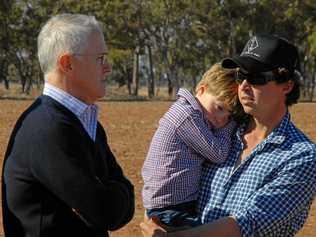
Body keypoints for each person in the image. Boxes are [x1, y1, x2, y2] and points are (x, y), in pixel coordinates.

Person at [140, 34, 316, 237]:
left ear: (286, 85)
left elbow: (248, 224)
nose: (243, 86)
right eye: (241, 76)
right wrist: (154, 217)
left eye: (257, 78)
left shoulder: (302, 157)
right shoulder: (217, 129)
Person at [2, 14, 134, 237]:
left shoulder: (82, 121)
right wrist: (112, 192)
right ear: (67, 64)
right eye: (100, 58)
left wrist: (112, 194)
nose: (108, 68)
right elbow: (107, 212)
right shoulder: (48, 129)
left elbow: (120, 200)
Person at [142, 63, 245, 228]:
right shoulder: (187, 116)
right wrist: (231, 125)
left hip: (170, 205)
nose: (222, 119)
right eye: (219, 108)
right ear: (201, 90)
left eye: (229, 114)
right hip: (171, 208)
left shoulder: (193, 114)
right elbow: (218, 154)